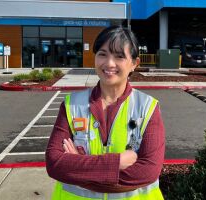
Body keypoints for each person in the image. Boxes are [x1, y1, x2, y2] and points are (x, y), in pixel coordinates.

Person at [46, 26, 165, 200]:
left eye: (119, 56)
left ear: (134, 64)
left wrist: (78, 167)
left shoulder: (147, 107)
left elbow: (148, 171)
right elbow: (54, 163)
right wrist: (118, 163)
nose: (109, 63)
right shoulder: (71, 105)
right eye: (102, 54)